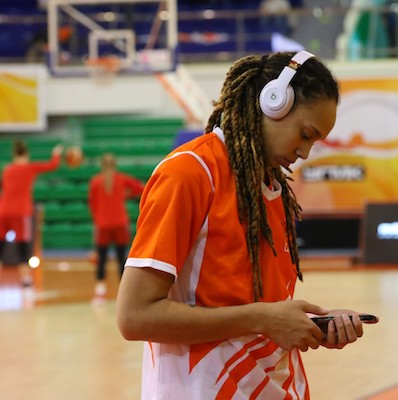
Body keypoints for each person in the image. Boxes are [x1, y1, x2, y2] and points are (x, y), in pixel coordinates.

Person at [116, 50, 377, 399]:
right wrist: (263, 319)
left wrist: (310, 323)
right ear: (273, 102)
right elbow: (134, 316)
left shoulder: (273, 188)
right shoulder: (188, 173)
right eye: (305, 134)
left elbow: (261, 310)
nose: (304, 153)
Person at [0, 140, 62, 288]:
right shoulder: (29, 168)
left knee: (1, 245)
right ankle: (26, 279)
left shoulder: (7, 169)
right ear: (26, 154)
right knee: (23, 245)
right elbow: (52, 165)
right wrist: (56, 153)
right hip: (21, 212)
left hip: (3, 211)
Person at [88, 153, 144, 305]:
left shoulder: (95, 182)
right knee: (122, 259)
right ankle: (126, 294)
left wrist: (97, 219)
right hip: (120, 223)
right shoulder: (122, 179)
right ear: (115, 165)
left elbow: (92, 205)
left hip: (103, 224)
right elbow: (141, 188)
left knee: (101, 259)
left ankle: (100, 292)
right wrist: (127, 194)